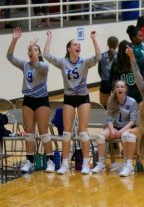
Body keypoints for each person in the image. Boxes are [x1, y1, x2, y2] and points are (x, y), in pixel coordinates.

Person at [43, 30, 101, 175]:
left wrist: (93, 38)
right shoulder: (63, 62)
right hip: (68, 97)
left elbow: (98, 56)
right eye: (75, 44)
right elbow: (46, 55)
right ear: (69, 48)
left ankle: (86, 164)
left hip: (83, 97)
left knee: (82, 131)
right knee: (67, 132)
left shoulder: (84, 62)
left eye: (79, 45)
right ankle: (64, 164)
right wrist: (49, 38)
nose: (78, 46)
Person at [6, 26, 54, 173]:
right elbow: (10, 57)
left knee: (44, 131)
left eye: (34, 50)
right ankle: (29, 161)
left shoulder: (43, 66)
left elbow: (37, 62)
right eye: (30, 51)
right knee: (29, 132)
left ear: (39, 53)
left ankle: (50, 161)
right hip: (28, 100)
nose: (31, 53)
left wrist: (33, 46)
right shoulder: (25, 65)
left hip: (41, 101)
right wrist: (14, 40)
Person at [91, 80, 137, 177]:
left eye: (122, 87)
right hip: (114, 127)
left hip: (127, 127)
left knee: (126, 136)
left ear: (126, 90)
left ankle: (128, 165)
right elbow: (109, 119)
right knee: (100, 137)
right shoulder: (111, 101)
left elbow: (133, 121)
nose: (120, 88)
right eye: (117, 87)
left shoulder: (132, 102)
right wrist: (112, 130)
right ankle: (101, 164)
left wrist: (121, 131)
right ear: (115, 90)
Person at [98, 36, 118, 107]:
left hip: (105, 82)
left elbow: (99, 71)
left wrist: (104, 77)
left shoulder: (102, 55)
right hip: (116, 82)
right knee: (117, 105)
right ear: (117, 44)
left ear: (108, 44)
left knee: (104, 107)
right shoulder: (119, 55)